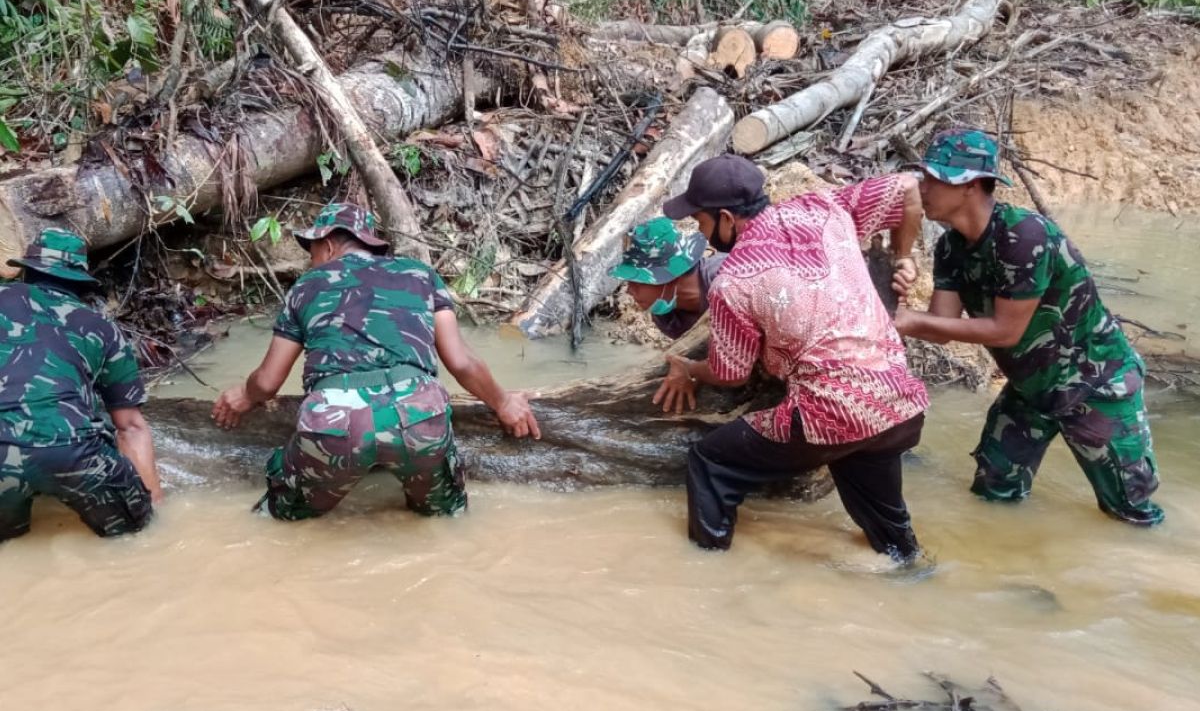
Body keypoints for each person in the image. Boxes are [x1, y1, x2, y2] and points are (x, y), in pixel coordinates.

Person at [656, 154, 930, 562]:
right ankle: (915, 575)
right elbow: (908, 187)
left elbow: (729, 374)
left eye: (702, 222)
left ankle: (706, 567)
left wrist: (686, 368)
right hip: (901, 408)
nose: (706, 237)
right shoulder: (824, 207)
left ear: (727, 218)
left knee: (709, 461)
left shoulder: (734, 281)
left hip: (831, 414)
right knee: (890, 532)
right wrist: (902, 255)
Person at [893, 128, 1163, 525]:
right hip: (1032, 388)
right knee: (992, 491)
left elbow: (1006, 331)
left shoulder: (1023, 235)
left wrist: (908, 320)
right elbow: (942, 328)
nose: (923, 187)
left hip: (1097, 384)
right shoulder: (951, 247)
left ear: (968, 186)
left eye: (933, 179)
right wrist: (900, 299)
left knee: (1130, 512)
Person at [212, 202, 540, 520]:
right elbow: (461, 361)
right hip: (420, 415)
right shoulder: (421, 275)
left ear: (327, 246)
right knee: (446, 519)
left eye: (311, 252)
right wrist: (503, 402)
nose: (312, 262)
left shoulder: (305, 287)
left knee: (273, 518)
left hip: (335, 422)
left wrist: (244, 394)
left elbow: (268, 382)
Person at [0, 228, 163, 542]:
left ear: (25, 272)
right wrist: (153, 504)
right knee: (136, 536)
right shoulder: (101, 328)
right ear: (79, 283)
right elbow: (130, 426)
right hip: (72, 451)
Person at [609, 216, 725, 338]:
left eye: (638, 282)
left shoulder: (727, 280)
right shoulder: (668, 320)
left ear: (670, 278)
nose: (629, 291)